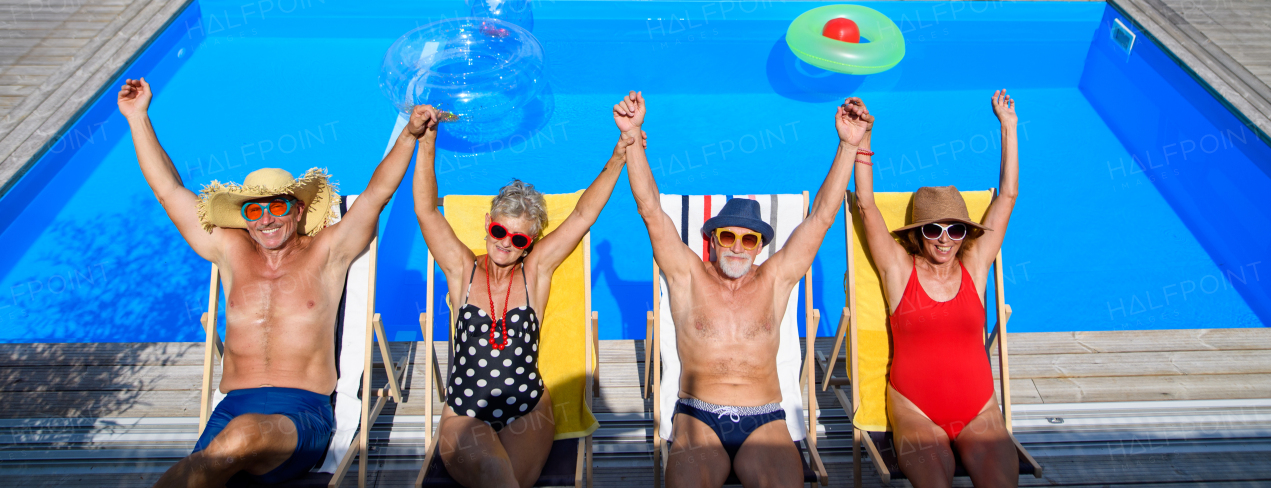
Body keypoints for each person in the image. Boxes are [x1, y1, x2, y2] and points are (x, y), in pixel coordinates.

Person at [118, 78, 439, 487]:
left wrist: (411, 135)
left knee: (237, 442)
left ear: (298, 207)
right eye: (255, 209)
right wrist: (138, 117)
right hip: (230, 408)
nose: (266, 219)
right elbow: (168, 191)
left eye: (278, 206)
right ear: (244, 216)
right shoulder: (231, 252)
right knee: (229, 446)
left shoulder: (328, 252)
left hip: (300, 416)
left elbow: (378, 194)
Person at [616, 90, 874, 487]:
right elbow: (650, 209)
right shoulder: (687, 277)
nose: (737, 246)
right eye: (728, 236)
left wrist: (847, 145)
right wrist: (632, 135)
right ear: (712, 240)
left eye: (749, 239)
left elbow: (822, 217)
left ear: (760, 247)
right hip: (697, 418)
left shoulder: (775, 279)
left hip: (765, 420)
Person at [412, 98, 638, 488]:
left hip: (528, 407)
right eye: (499, 231)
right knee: (493, 472)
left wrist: (621, 151)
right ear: (487, 223)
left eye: (518, 238)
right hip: (466, 410)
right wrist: (428, 140)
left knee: (508, 480)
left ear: (530, 243)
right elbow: (426, 211)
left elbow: (584, 215)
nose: (505, 244)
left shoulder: (536, 272)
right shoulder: (461, 269)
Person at [853, 90, 1021, 487]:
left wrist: (1009, 128)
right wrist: (864, 138)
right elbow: (866, 206)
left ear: (966, 234)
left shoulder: (975, 266)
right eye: (933, 229)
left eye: (955, 229)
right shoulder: (898, 269)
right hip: (916, 410)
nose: (944, 240)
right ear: (917, 233)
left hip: (980, 410)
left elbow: (1009, 196)